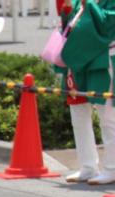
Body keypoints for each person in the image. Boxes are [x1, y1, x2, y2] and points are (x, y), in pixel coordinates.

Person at [56, 0, 115, 185]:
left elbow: (108, 23)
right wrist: (66, 13)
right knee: (78, 114)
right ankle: (88, 166)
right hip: (78, 58)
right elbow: (68, 25)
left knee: (107, 117)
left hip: (102, 58)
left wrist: (87, 4)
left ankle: (112, 168)